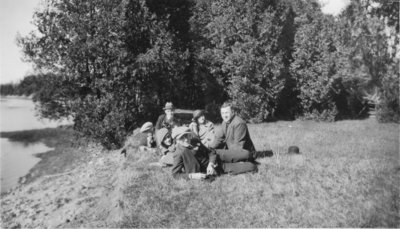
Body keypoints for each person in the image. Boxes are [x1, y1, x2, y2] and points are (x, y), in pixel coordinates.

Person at [171, 126, 258, 180]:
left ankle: (244, 159)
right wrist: (193, 176)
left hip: (218, 155)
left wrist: (211, 163)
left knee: (247, 154)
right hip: (217, 167)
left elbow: (211, 152)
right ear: (177, 140)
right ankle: (240, 163)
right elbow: (175, 174)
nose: (186, 139)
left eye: (186, 136)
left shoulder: (194, 141)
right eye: (182, 138)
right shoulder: (179, 153)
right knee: (252, 166)